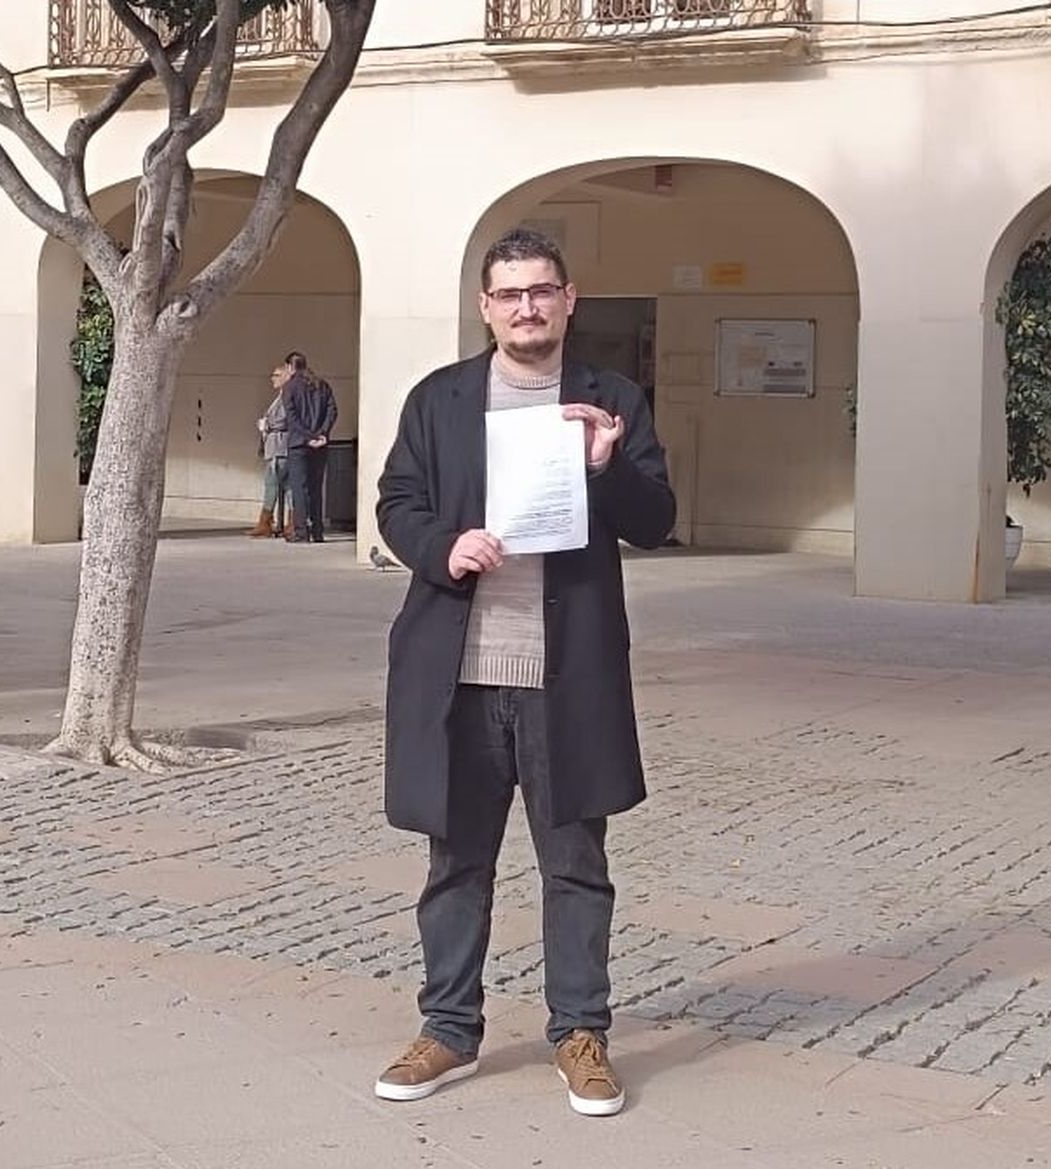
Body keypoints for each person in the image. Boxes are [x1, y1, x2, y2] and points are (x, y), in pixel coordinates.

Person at [372, 228, 675, 1117]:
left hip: (567, 671)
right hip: (458, 670)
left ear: (569, 298)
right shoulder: (441, 400)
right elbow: (397, 500)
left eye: (541, 292)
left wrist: (608, 466)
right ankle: (448, 1029)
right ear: (486, 306)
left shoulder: (609, 400)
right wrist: (442, 545)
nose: (527, 308)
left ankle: (580, 1033)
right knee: (455, 861)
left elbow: (655, 519)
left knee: (576, 863)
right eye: (509, 295)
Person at [281, 351, 337, 544]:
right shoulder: (322, 385)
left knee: (299, 488)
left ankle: (301, 531)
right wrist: (322, 433)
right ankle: (318, 531)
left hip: (299, 444)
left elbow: (292, 418)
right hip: (320, 444)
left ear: (290, 367)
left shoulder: (289, 388)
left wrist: (308, 437)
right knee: (316, 488)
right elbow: (332, 410)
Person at [248, 365, 291, 539]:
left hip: (279, 447)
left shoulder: (287, 397)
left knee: (272, 484)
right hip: (276, 446)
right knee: (286, 486)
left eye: (277, 375)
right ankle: (289, 523)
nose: (273, 378)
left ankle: (265, 522)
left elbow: (284, 419)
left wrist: (267, 424)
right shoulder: (280, 397)